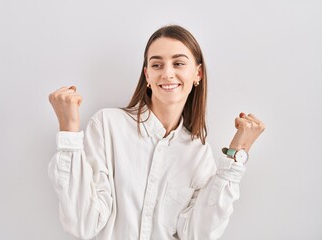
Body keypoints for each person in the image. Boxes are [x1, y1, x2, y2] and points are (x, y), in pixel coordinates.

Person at [48, 25, 265, 240]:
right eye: (157, 65)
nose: (167, 73)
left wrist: (236, 156)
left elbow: (198, 234)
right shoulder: (107, 125)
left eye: (178, 63)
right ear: (147, 75)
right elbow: (83, 224)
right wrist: (69, 132)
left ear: (197, 73)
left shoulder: (198, 153)